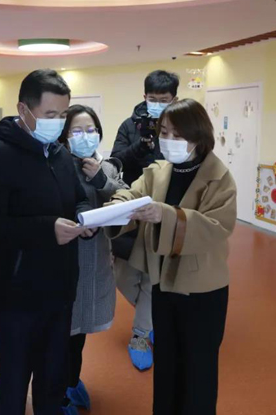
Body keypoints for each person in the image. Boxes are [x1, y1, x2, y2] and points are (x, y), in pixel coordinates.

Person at [0, 69, 93, 415]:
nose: (58, 122)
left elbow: (78, 198)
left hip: (60, 291)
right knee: (12, 384)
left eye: (63, 114)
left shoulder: (60, 154)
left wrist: (86, 217)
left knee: (52, 383)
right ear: (23, 110)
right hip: (15, 296)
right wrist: (46, 229)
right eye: (50, 114)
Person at [108, 98, 236, 415]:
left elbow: (217, 227)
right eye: (164, 132)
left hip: (202, 290)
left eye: (178, 135)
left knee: (198, 368)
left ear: (198, 136)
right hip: (163, 284)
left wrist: (164, 214)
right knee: (166, 363)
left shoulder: (219, 177)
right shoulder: (158, 171)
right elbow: (132, 193)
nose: (169, 140)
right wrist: (117, 206)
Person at [57, 105, 128, 414]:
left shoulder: (106, 167)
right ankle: (57, 392)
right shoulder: (55, 165)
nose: (85, 136)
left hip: (95, 262)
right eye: (77, 130)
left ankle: (72, 381)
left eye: (90, 130)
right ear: (64, 135)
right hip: (63, 261)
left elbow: (125, 198)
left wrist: (101, 180)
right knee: (61, 333)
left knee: (80, 332)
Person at [110, 70, 179, 370]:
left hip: (164, 212)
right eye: (153, 99)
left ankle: (140, 335)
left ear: (174, 99)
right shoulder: (129, 126)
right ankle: (155, 316)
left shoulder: (181, 128)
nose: (158, 104)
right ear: (144, 97)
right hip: (132, 210)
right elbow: (116, 161)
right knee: (123, 275)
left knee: (152, 276)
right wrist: (140, 146)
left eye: (164, 99)